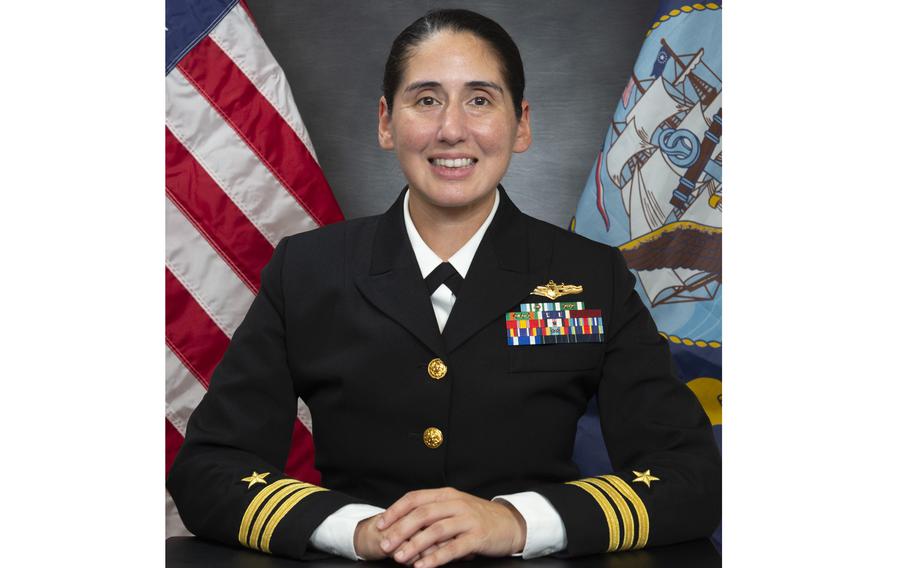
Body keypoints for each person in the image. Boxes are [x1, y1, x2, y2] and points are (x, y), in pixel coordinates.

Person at [167, 8, 721, 566]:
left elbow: (691, 476)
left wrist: (515, 521)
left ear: (520, 124)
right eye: (426, 99)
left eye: (480, 99)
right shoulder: (307, 272)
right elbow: (208, 470)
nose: (452, 128)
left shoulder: (591, 276)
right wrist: (358, 529)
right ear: (386, 122)